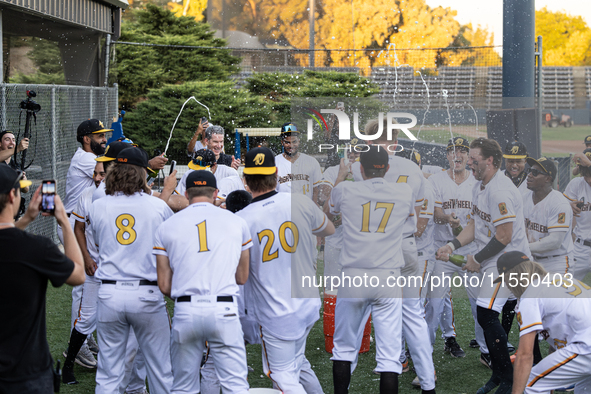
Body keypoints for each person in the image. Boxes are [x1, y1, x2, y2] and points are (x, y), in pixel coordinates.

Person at [436, 137, 531, 394]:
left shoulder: (499, 189)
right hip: (497, 260)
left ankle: (508, 376)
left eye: (474, 160)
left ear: (490, 161)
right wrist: (453, 246)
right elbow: (475, 225)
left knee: (487, 312)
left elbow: (504, 235)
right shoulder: (481, 186)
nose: (470, 165)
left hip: (511, 262)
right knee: (489, 313)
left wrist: (475, 260)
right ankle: (501, 373)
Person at [237, 147, 335, 393]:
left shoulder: (243, 219)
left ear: (245, 181)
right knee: (298, 364)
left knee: (281, 377)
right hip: (307, 303)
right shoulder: (299, 201)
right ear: (277, 174)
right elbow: (329, 229)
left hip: (276, 312)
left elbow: (240, 274)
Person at [351, 119, 435, 393]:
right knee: (413, 314)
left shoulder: (357, 167)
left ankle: (344, 373)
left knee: (358, 313)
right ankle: (428, 380)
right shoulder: (412, 169)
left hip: (375, 248)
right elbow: (421, 214)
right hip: (406, 245)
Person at [326, 146, 417, 394]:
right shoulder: (403, 191)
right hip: (387, 276)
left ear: (361, 168)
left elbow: (328, 214)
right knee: (389, 357)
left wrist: (341, 175)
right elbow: (411, 222)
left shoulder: (345, 189)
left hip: (354, 274)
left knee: (343, 348)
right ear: (386, 168)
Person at [154, 170, 252, 393]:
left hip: (186, 308)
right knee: (235, 385)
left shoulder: (168, 225)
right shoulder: (236, 222)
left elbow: (164, 285)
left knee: (183, 387)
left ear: (187, 194)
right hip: (223, 308)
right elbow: (242, 277)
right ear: (216, 192)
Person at [88, 147, 174, 393]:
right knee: (160, 370)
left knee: (108, 374)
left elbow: (97, 242)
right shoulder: (157, 207)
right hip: (147, 294)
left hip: (110, 294)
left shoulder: (98, 206)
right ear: (143, 174)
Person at [0, 166, 85, 393]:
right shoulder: (36, 248)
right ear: (12, 196)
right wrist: (64, 221)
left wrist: (26, 219)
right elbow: (78, 275)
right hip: (27, 375)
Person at [493, 251, 591, 393]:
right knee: (584, 389)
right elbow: (558, 337)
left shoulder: (530, 296)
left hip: (586, 347)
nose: (507, 286)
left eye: (506, 280)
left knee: (529, 383)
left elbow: (525, 355)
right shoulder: (558, 280)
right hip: (584, 343)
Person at [425, 137, 483, 361]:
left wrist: (460, 227)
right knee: (435, 303)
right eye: (452, 151)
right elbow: (436, 213)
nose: (456, 155)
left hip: (471, 252)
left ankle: (486, 350)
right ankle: (425, 351)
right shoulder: (437, 180)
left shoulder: (476, 182)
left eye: (462, 151)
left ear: (468, 157)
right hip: (442, 252)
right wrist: (447, 218)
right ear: (447, 155)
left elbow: (478, 220)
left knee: (479, 304)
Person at [523, 157, 573, 275]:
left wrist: (522, 247)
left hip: (556, 262)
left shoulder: (558, 203)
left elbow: (554, 241)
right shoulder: (524, 199)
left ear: (548, 178)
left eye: (535, 173)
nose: (529, 175)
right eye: (529, 170)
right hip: (532, 260)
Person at [275, 123, 323, 203]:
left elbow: (316, 189)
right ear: (282, 142)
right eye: (287, 142)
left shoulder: (311, 161)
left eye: (294, 142)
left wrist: (314, 207)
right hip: (284, 210)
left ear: (299, 141)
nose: (291, 145)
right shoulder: (274, 162)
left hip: (306, 210)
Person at [563, 148, 591, 281]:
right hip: (581, 247)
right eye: (584, 171)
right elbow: (559, 208)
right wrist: (567, 206)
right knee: (565, 286)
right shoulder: (576, 184)